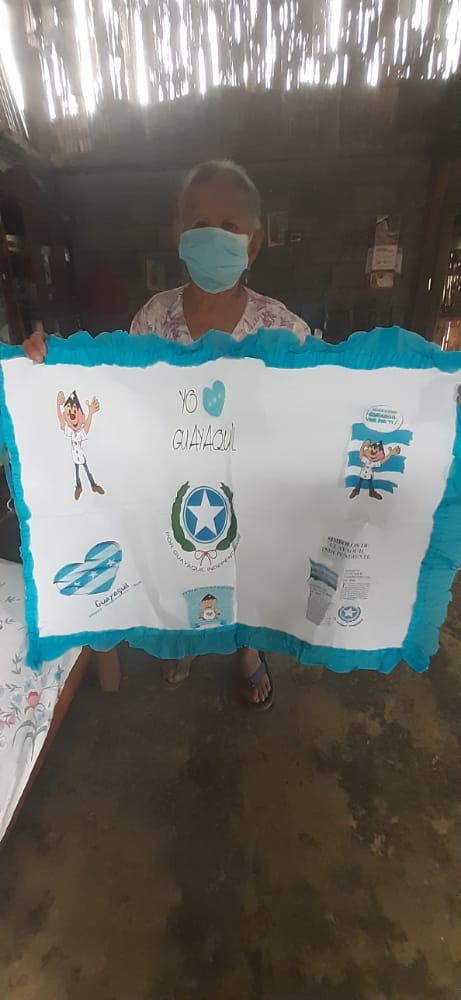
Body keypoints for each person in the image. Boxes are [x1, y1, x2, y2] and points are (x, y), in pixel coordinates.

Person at [23, 159, 310, 710]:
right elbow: (116, 388)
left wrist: (425, 393)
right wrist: (49, 366)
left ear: (252, 244)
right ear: (178, 235)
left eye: (229, 225)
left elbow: (328, 393)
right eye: (199, 223)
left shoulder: (282, 329)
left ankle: (246, 650)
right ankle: (187, 643)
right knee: (182, 568)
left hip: (250, 490)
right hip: (172, 486)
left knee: (246, 574)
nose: (213, 234)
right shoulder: (154, 319)